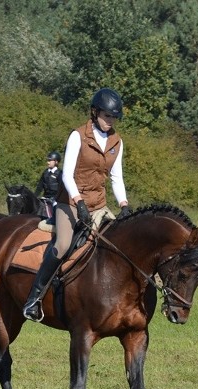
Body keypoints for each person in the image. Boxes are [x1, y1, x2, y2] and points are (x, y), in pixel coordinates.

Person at [22, 88, 130, 322]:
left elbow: (116, 177)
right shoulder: (78, 136)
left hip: (98, 204)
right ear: (94, 112)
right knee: (62, 245)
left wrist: (123, 204)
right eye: (106, 116)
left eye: (113, 117)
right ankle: (34, 299)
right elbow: (67, 175)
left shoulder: (116, 142)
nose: (110, 121)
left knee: (117, 243)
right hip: (69, 201)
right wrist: (78, 202)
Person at [35, 150, 64, 219]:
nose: (48, 162)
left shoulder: (59, 173)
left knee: (55, 210)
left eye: (50, 161)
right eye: (48, 160)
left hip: (56, 199)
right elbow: (40, 186)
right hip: (45, 197)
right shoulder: (45, 172)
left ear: (56, 162)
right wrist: (35, 196)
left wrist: (56, 198)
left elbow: (61, 187)